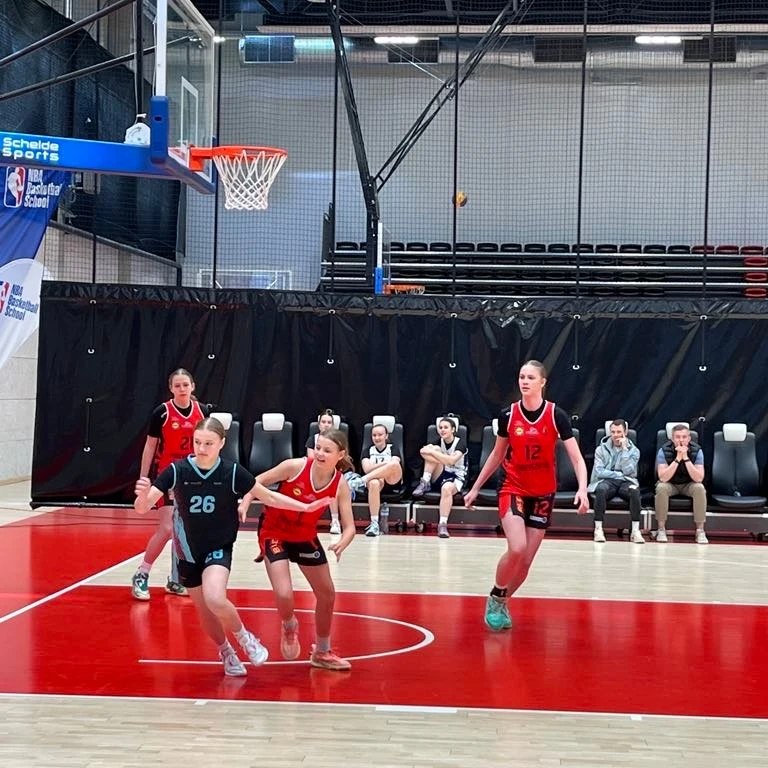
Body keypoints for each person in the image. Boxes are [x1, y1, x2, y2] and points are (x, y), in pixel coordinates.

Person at [133, 417, 329, 677]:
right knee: (205, 610)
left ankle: (245, 638)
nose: (201, 448)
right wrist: (141, 496)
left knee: (215, 598)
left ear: (222, 443)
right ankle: (226, 651)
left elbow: (269, 496)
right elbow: (143, 508)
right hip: (187, 551)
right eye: (198, 442)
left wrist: (305, 506)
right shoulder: (177, 471)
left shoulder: (232, 472)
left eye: (208, 443)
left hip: (218, 545)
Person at [463, 360, 589, 632]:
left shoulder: (556, 415)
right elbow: (497, 455)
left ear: (543, 382)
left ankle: (502, 601)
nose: (525, 381)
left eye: (531, 377)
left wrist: (582, 488)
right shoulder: (508, 416)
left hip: (543, 493)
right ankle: (496, 596)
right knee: (517, 547)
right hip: (513, 487)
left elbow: (577, 458)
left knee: (526, 560)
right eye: (522, 376)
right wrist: (475, 487)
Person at [256, 428, 356, 671]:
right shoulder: (295, 466)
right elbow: (256, 482)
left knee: (327, 594)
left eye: (327, 450)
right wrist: (247, 500)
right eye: (318, 448)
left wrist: (343, 541)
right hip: (275, 531)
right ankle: (289, 624)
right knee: (284, 594)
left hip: (304, 536)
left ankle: (322, 651)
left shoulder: (340, 483)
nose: (320, 453)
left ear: (340, 455)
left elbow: (350, 527)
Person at [131, 368, 207, 600]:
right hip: (167, 476)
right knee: (166, 528)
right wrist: (144, 477)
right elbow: (150, 446)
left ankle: (176, 580)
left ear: (192, 386)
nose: (182, 389)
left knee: (184, 530)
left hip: (192, 476)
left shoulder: (203, 411)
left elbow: (207, 445)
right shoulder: (162, 412)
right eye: (177, 385)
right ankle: (142, 573)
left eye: (185, 385)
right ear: (171, 388)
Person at [588, 419, 644, 544]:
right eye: (613, 432)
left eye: (619, 432)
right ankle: (598, 529)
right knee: (601, 489)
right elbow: (599, 472)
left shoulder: (634, 451)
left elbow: (628, 471)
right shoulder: (600, 449)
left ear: (625, 432)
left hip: (626, 481)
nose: (615, 435)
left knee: (635, 491)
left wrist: (624, 450)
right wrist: (618, 474)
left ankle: (635, 531)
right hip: (608, 481)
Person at [412, 417, 468, 538]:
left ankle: (442, 524)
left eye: (446, 427)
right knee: (435, 449)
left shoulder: (460, 443)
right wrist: (437, 454)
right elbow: (422, 451)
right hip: (441, 473)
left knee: (446, 488)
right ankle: (425, 482)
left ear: (453, 429)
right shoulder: (438, 442)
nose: (442, 430)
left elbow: (452, 461)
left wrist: (433, 453)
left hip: (457, 476)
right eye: (440, 427)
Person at [654, 424, 707, 544]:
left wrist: (686, 458)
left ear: (689, 438)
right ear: (672, 439)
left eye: (684, 437)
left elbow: (699, 478)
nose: (681, 440)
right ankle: (661, 529)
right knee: (661, 487)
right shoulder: (663, 450)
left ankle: (700, 530)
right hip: (670, 484)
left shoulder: (697, 451)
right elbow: (663, 477)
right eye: (677, 437)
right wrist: (678, 458)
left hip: (689, 484)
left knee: (700, 488)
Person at [358, 423, 403, 537]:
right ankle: (374, 524)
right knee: (374, 482)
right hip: (375, 482)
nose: (377, 438)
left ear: (386, 436)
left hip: (391, 480)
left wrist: (377, 467)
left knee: (394, 465)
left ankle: (363, 480)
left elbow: (394, 464)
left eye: (380, 435)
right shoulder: (367, 450)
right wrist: (386, 463)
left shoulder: (393, 448)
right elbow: (367, 469)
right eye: (374, 435)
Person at [306, 408, 342, 535]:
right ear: (319, 424)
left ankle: (335, 521)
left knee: (333, 485)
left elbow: (340, 460)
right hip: (314, 472)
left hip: (331, 471)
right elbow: (311, 459)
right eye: (323, 422)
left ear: (333, 425)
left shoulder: (338, 440)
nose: (326, 425)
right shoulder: (313, 439)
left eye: (329, 422)